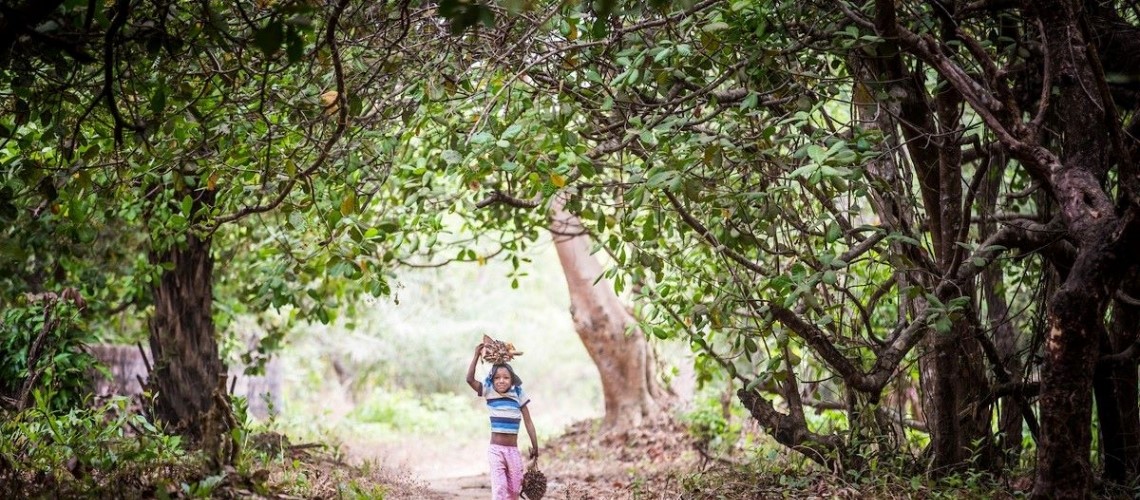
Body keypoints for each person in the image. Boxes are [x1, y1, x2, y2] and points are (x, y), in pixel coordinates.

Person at [466, 342, 538, 500]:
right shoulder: (489, 391)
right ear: (492, 380)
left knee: (514, 491)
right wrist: (476, 356)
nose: (501, 381)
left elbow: (529, 422)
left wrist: (535, 447)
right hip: (495, 451)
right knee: (499, 490)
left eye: (506, 377)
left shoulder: (518, 393)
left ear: (512, 380)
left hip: (513, 452)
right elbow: (469, 379)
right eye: (497, 377)